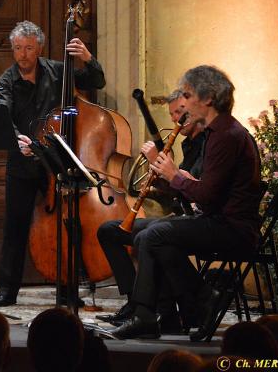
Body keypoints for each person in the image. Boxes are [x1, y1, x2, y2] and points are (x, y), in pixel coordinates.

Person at [111, 65, 262, 340]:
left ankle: (163, 310)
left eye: (189, 96)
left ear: (208, 99)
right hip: (218, 221)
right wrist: (172, 180)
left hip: (232, 229)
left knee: (154, 234)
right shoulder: (219, 132)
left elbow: (208, 197)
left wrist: (173, 175)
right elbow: (206, 191)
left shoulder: (226, 136)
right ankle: (192, 304)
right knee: (152, 236)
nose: (184, 103)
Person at [0, 21, 105, 307]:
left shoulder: (58, 70)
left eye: (29, 48)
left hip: (56, 161)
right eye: (18, 48)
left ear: (39, 48)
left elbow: (96, 81)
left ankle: (68, 290)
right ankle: (7, 291)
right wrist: (18, 140)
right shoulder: (7, 80)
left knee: (66, 224)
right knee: (14, 226)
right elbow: (3, 118)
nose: (23, 55)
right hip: (23, 161)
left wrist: (88, 58)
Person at [96, 89, 208, 331]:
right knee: (109, 230)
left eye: (181, 112)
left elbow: (199, 192)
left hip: (200, 222)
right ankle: (133, 302)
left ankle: (163, 311)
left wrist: (165, 167)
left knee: (154, 236)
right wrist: (160, 182)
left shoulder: (209, 143)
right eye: (172, 114)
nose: (177, 120)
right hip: (185, 218)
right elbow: (180, 192)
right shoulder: (188, 145)